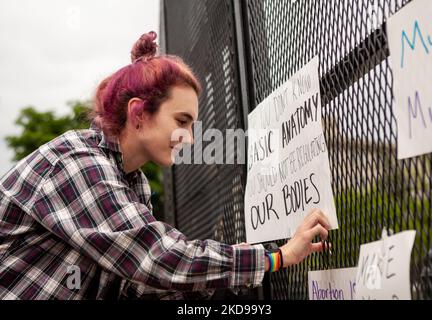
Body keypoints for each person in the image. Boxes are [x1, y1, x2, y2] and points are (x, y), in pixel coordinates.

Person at [0, 31, 330, 300]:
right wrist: (275, 257)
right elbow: (157, 258)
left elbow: (137, 283)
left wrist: (229, 263)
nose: (188, 138)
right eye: (181, 121)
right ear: (139, 113)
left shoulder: (133, 182)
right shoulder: (77, 163)